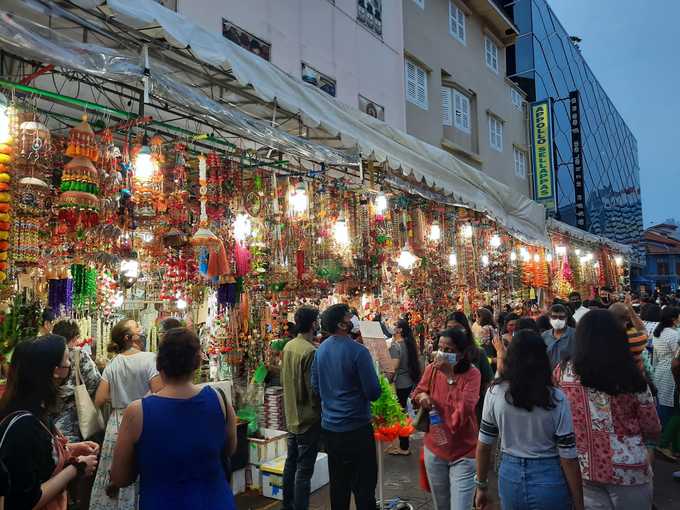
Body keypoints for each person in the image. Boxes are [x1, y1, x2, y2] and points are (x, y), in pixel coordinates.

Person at [109, 327, 236, 510]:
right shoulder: (219, 399)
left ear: (159, 364)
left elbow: (120, 477)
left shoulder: (137, 412)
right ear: (197, 363)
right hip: (216, 502)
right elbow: (229, 449)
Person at [556, 310, 661, 510]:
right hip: (629, 470)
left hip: (584, 468)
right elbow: (652, 427)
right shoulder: (632, 376)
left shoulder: (563, 372)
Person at [475, 330, 583, 510]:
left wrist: (481, 486)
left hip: (510, 477)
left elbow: (484, 445)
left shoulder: (495, 393)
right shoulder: (556, 398)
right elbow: (568, 457)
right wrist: (579, 503)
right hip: (549, 478)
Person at [0, 335, 99, 510]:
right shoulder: (24, 426)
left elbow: (38, 458)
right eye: (67, 359)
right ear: (55, 370)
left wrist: (69, 449)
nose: (70, 365)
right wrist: (75, 468)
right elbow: (26, 501)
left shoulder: (37, 410)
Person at [311, 304, 381, 510]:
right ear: (342, 324)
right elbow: (373, 392)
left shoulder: (321, 350)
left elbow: (315, 387)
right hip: (357, 429)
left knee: (339, 486)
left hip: (331, 430)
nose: (354, 320)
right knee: (364, 487)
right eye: (350, 317)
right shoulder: (358, 352)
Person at [89, 319, 163, 510]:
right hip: (144, 420)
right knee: (140, 470)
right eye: (136, 326)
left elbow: (99, 399)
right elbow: (159, 392)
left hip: (117, 425)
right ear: (129, 337)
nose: (141, 327)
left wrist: (119, 397)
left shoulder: (113, 364)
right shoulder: (150, 359)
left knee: (116, 469)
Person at [412, 328, 481, 510]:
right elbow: (418, 392)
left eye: (449, 350)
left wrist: (450, 376)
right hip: (435, 449)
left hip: (464, 452)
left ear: (462, 353)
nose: (442, 354)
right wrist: (423, 398)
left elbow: (464, 411)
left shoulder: (472, 375)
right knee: (441, 505)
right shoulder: (432, 369)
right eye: (440, 348)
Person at [282, 306, 322, 510]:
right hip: (308, 419)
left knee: (291, 464)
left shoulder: (289, 346)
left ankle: (287, 505)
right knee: (304, 471)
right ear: (312, 323)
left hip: (291, 416)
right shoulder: (310, 351)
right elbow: (314, 390)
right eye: (316, 320)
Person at [52, 320, 102, 443]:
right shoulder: (80, 356)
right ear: (75, 337)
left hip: (49, 416)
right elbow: (94, 382)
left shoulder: (47, 354)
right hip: (76, 416)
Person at [446, 312, 493, 423]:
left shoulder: (478, 353)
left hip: (472, 413)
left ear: (465, 329)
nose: (453, 332)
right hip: (446, 411)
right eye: (449, 328)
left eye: (457, 328)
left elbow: (488, 382)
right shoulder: (440, 354)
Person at [386, 319, 421, 455]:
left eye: (395, 325)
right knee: (403, 413)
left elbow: (394, 367)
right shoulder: (408, 343)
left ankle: (404, 447)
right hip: (407, 382)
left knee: (400, 415)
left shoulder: (396, 346)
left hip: (399, 383)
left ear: (399, 330)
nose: (392, 327)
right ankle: (401, 444)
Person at [652, 306, 680, 460]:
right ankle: (665, 444)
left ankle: (673, 447)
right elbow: (677, 361)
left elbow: (655, 358)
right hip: (672, 375)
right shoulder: (674, 335)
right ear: (674, 318)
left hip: (660, 372)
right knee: (675, 410)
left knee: (668, 409)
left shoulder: (658, 332)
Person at [610, 297, 649, 372]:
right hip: (633, 378)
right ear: (628, 319)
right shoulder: (634, 338)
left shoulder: (604, 338)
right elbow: (642, 329)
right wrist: (630, 309)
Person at [541, 304, 575, 369]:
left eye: (561, 317)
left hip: (568, 376)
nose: (557, 320)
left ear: (566, 318)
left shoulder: (575, 335)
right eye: (554, 317)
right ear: (549, 318)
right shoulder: (544, 336)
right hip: (548, 376)